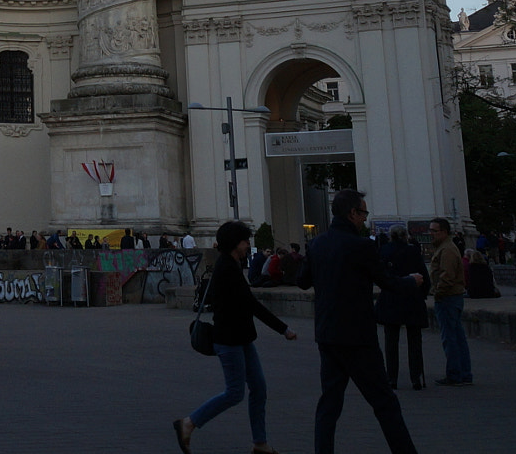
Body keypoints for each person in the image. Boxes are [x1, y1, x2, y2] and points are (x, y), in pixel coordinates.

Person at [296, 189, 424, 454]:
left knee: (329, 405)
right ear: (352, 213)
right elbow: (387, 282)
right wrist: (412, 281)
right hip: (358, 337)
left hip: (327, 335)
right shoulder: (361, 245)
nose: (365, 219)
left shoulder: (317, 243)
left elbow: (302, 280)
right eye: (363, 212)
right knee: (385, 403)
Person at [174, 220, 297, 454]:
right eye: (244, 241)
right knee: (234, 393)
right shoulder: (227, 269)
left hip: (240, 338)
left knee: (259, 389)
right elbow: (251, 305)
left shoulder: (230, 265)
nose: (247, 246)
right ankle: (188, 423)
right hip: (229, 340)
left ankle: (260, 443)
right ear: (234, 244)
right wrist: (283, 329)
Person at [373, 228, 429, 391]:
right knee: (415, 341)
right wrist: (422, 294)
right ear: (405, 236)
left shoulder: (383, 250)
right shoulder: (412, 251)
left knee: (391, 342)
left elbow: (380, 276)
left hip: (391, 299)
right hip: (412, 299)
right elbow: (423, 275)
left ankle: (392, 378)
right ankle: (416, 377)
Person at [428, 217, 473, 386]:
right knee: (457, 336)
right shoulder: (447, 247)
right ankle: (464, 373)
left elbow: (447, 275)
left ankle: (455, 373)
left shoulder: (446, 250)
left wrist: (437, 292)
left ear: (444, 232)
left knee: (450, 338)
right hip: (452, 296)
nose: (430, 234)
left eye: (434, 231)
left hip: (447, 297)